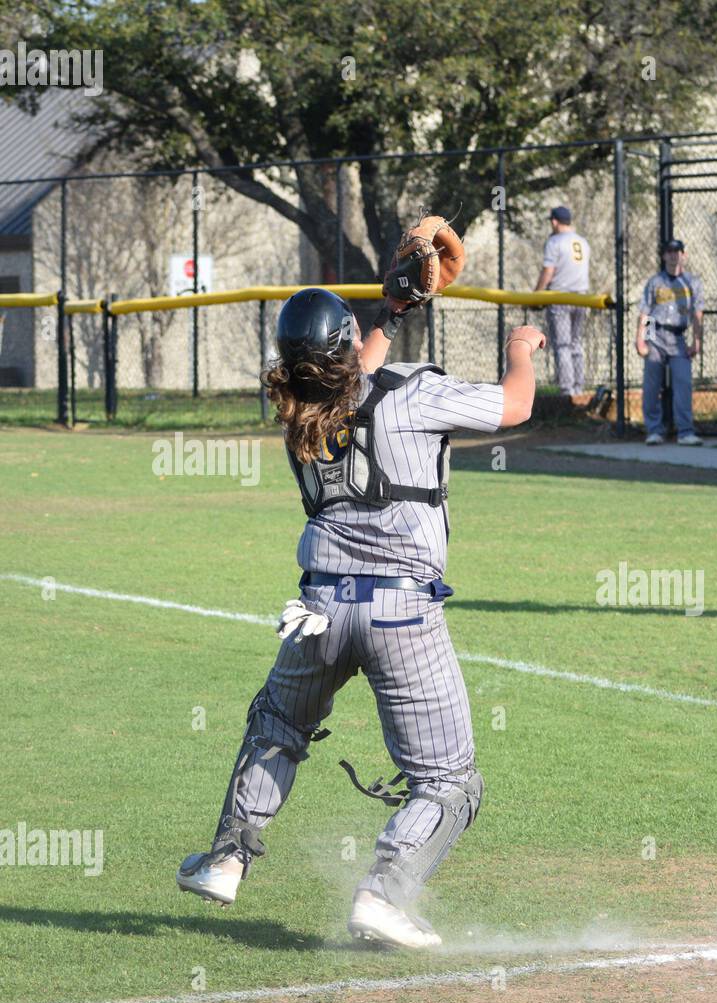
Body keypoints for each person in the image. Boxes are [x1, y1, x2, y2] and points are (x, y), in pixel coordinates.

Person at [175, 284, 546, 950]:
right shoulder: (410, 391)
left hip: (318, 606)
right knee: (449, 782)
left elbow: (352, 381)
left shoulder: (297, 407)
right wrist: (522, 346)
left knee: (278, 725)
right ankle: (385, 892)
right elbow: (516, 403)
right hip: (401, 611)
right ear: (346, 348)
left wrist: (392, 313)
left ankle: (228, 859)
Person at [636, 238, 704, 445]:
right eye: (669, 251)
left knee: (683, 383)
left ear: (684, 255)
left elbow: (697, 314)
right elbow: (645, 314)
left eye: (678, 251)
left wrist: (697, 341)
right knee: (652, 385)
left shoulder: (692, 283)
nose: (674, 255)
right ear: (664, 255)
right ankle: (654, 430)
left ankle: (685, 432)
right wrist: (640, 340)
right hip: (655, 336)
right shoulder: (655, 282)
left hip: (678, 337)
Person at [535, 205, 591, 405]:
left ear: (554, 222)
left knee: (563, 345)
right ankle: (578, 387)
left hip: (560, 297)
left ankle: (567, 391)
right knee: (575, 343)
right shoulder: (582, 242)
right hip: (582, 298)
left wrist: (538, 294)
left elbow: (548, 271)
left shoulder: (554, 241)